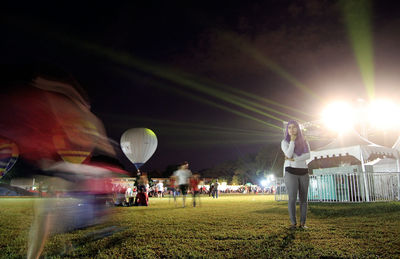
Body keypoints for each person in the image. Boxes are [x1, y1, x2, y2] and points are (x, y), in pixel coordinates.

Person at [281, 120, 310, 229]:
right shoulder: (284, 142)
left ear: (298, 129)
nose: (291, 130)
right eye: (289, 128)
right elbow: (288, 153)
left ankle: (303, 223)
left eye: (294, 127)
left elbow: (308, 155)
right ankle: (293, 223)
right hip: (290, 172)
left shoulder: (304, 141)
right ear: (287, 130)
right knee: (292, 198)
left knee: (303, 200)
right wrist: (292, 141)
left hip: (303, 172)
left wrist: (294, 159)